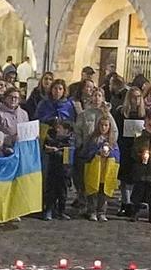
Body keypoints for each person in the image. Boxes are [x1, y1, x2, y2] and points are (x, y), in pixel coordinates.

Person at [36, 79, 76, 220]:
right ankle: (47, 207)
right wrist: (50, 120)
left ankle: (61, 209)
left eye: (60, 88)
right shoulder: (44, 104)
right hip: (48, 140)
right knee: (49, 178)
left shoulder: (69, 105)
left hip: (64, 143)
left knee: (63, 179)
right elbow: (37, 119)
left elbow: (72, 123)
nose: (57, 91)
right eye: (55, 88)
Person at [77, 114, 120, 222]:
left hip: (105, 171)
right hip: (94, 170)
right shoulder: (93, 139)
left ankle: (101, 212)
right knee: (93, 193)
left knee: (103, 194)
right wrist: (97, 152)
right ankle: (91, 211)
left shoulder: (112, 141)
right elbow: (86, 153)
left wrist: (109, 153)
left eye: (106, 125)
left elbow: (117, 155)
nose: (104, 128)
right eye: (101, 125)